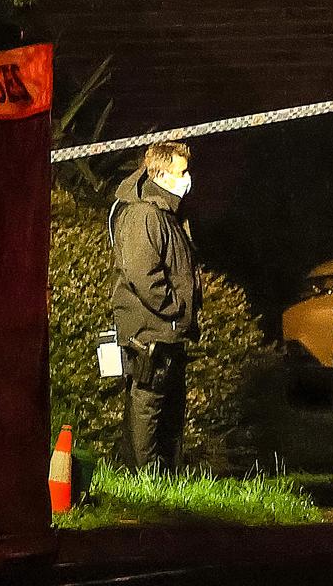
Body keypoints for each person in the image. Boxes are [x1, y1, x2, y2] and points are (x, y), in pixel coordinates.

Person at [109, 141, 202, 472]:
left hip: (165, 328)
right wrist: (176, 309)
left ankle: (164, 476)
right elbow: (143, 276)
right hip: (151, 329)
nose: (187, 177)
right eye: (181, 171)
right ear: (161, 174)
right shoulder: (144, 214)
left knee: (168, 406)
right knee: (149, 402)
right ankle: (146, 478)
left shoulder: (164, 211)